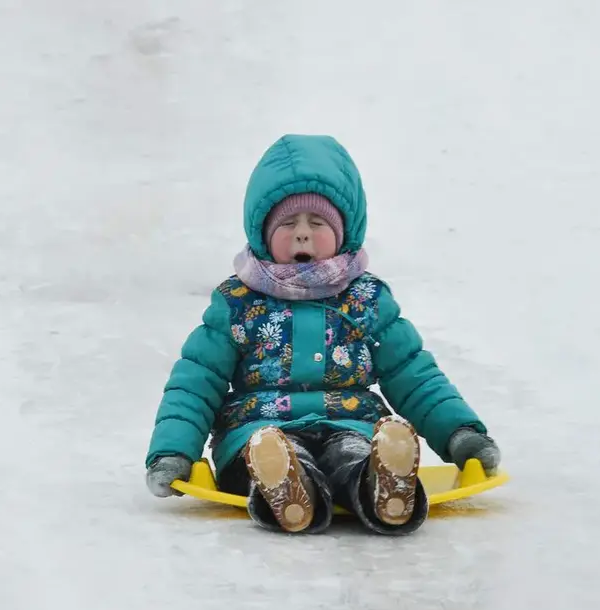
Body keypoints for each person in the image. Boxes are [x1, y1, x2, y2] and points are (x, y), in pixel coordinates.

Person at [144, 135, 500, 535]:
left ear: (345, 231)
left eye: (317, 223)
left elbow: (412, 374)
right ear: (261, 232)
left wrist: (461, 433)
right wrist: (173, 451)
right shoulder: (238, 303)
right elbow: (196, 382)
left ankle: (382, 484)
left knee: (350, 454)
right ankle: (286, 487)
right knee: (271, 454)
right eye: (286, 223)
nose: (302, 234)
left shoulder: (365, 300)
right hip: (258, 431)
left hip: (351, 423)